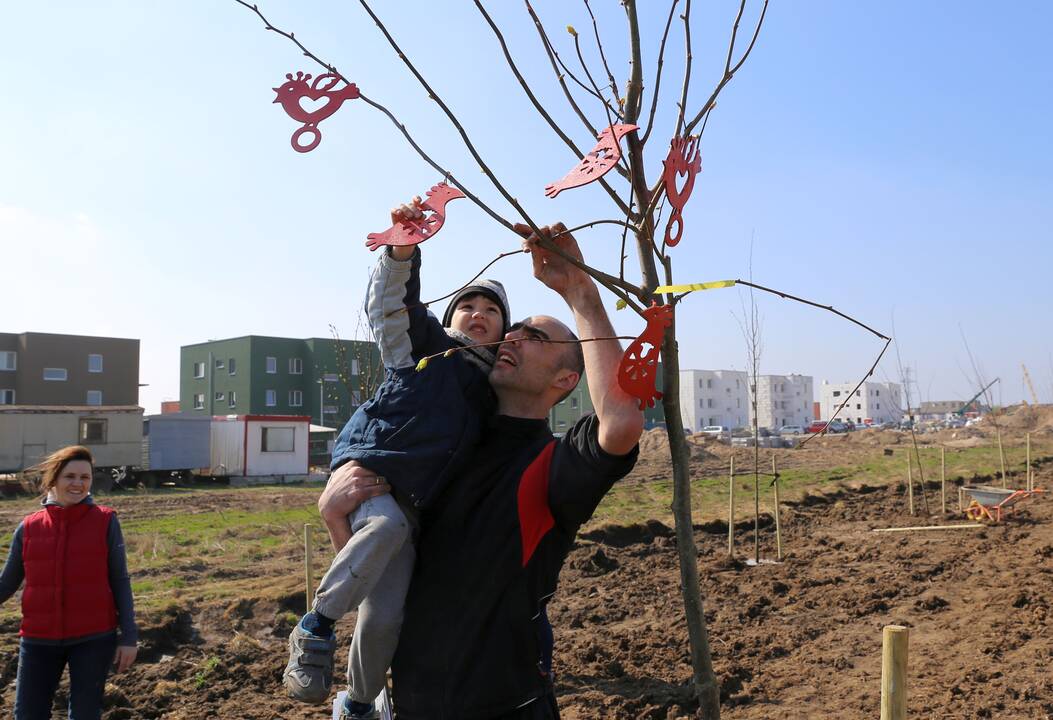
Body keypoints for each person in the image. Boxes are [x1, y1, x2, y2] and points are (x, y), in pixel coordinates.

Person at [319, 222, 644, 719]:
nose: (512, 337)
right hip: (412, 705)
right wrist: (337, 515)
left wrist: (580, 294)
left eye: (534, 337)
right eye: (513, 331)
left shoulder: (553, 466)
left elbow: (620, 421)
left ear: (566, 378)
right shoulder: (442, 453)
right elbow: (400, 569)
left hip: (506, 707)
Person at [284, 198, 515, 720]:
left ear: (505, 329)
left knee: (385, 617)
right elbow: (391, 307)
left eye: (492, 310)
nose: (478, 315)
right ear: (452, 315)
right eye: (469, 306)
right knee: (384, 529)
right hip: (373, 475)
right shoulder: (426, 349)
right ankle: (314, 626)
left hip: (416, 506)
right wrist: (402, 253)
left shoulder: (492, 395)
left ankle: (358, 703)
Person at [0, 445, 138, 720]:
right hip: (38, 640)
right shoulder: (29, 527)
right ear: (53, 480)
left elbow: (120, 580)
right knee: (27, 714)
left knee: (85, 714)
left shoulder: (105, 521)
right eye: (70, 476)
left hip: (93, 638)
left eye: (84, 478)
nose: (78, 484)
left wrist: (129, 637)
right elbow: (6, 584)